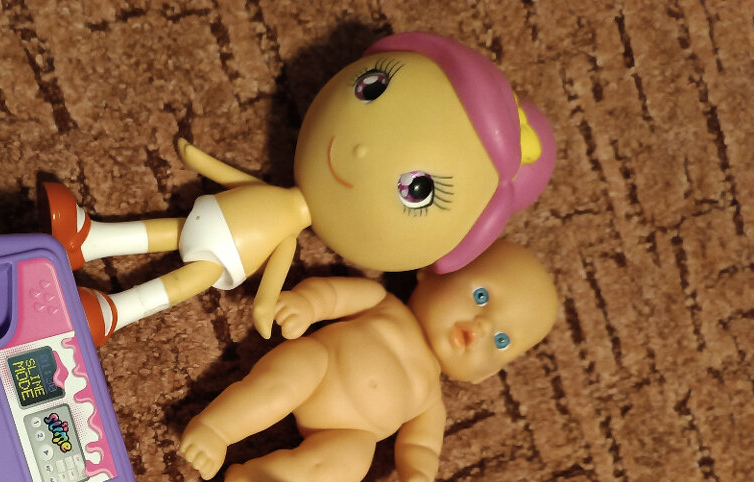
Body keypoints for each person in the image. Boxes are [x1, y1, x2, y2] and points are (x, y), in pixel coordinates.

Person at [42, 31, 556, 344]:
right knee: (171, 230)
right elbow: (241, 182)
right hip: (219, 214)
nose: (361, 152)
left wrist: (265, 305)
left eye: (419, 190)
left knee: (185, 280)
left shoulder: (296, 245)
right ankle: (90, 237)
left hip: (227, 257)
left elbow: (278, 264)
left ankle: (116, 312)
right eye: (374, 88)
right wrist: (199, 159)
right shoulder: (288, 204)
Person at [179, 238, 559, 482]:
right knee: (279, 385)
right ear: (430, 272)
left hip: (347, 432)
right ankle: (217, 429)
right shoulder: (382, 302)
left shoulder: (430, 399)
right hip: (320, 364)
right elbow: (334, 295)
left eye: (501, 340)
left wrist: (417, 475)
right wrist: (308, 305)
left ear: (485, 374)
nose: (483, 326)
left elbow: (422, 446)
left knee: (349, 466)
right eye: (481, 296)